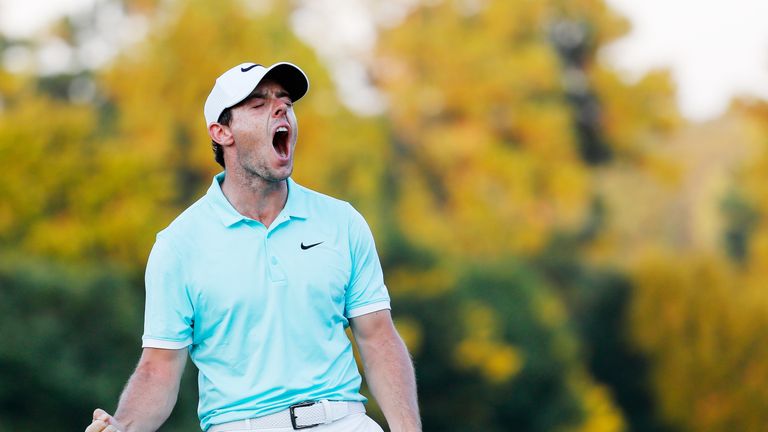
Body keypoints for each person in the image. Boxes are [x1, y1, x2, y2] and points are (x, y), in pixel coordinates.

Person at [85, 61, 421, 432]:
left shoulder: (342, 221)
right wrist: (123, 426)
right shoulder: (178, 246)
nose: (280, 109)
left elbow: (377, 337)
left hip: (344, 420)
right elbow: (159, 367)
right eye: (258, 104)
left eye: (285, 102)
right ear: (222, 132)